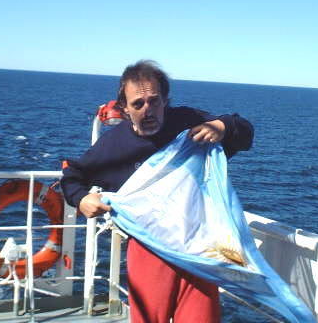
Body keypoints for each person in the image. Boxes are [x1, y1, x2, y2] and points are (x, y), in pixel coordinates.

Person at [60, 60, 254, 323]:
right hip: (148, 248)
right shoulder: (114, 145)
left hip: (196, 247)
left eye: (154, 101)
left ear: (166, 101)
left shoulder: (187, 123)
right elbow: (73, 175)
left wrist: (222, 127)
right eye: (138, 104)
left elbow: (244, 134)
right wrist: (82, 199)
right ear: (125, 109)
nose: (148, 110)